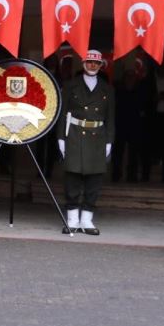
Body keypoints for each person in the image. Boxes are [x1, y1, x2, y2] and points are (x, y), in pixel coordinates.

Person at [57, 49, 115, 235]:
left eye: (96, 63)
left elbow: (111, 118)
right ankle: (72, 219)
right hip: (74, 133)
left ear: (100, 65)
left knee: (94, 179)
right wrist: (61, 138)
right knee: (72, 178)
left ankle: (87, 220)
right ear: (83, 63)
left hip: (98, 135)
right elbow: (61, 113)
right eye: (89, 62)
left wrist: (109, 141)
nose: (92, 65)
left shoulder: (108, 88)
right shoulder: (71, 85)